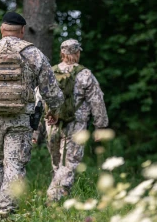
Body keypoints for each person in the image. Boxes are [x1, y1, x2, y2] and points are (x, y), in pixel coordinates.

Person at [0, 12, 64, 217]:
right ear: (22, 31)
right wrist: (54, 111)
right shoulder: (33, 54)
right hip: (21, 120)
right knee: (14, 163)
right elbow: (51, 90)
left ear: (1, 29)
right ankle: (7, 210)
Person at [43, 39, 108, 202]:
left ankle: (57, 200)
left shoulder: (50, 73)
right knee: (69, 164)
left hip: (52, 125)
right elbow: (97, 101)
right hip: (76, 126)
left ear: (62, 53)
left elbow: (39, 102)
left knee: (57, 165)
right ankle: (54, 197)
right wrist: (100, 126)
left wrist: (36, 130)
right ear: (77, 53)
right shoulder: (85, 74)